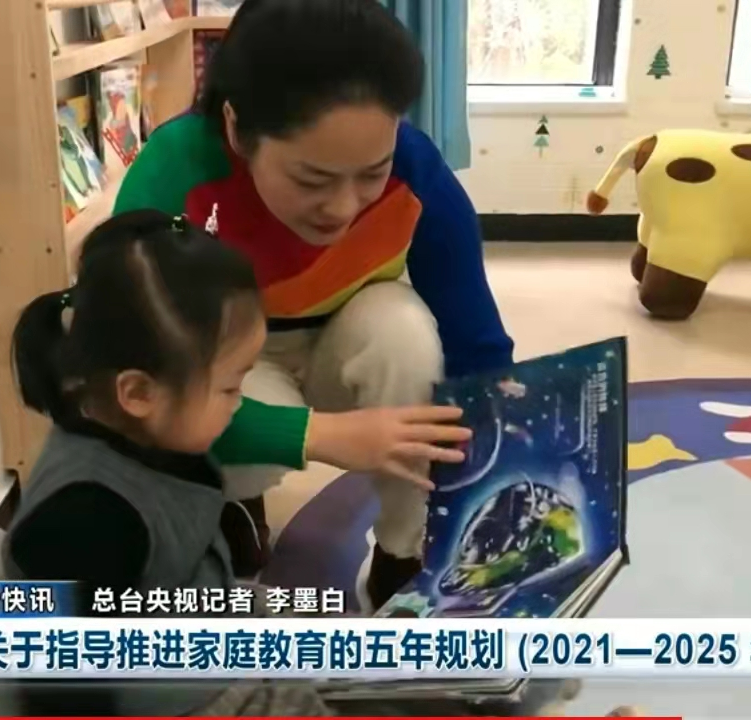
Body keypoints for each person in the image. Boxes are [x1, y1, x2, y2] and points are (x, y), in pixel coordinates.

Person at [112, 0, 515, 608]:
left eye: (371, 173)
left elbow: (476, 345)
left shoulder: (416, 168)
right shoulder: (175, 174)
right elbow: (147, 384)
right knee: (205, 435)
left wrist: (502, 455)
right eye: (311, 179)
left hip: (343, 338)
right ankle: (235, 508)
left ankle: (402, 552)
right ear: (236, 129)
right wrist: (320, 434)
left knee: (403, 332)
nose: (344, 206)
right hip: (224, 363)